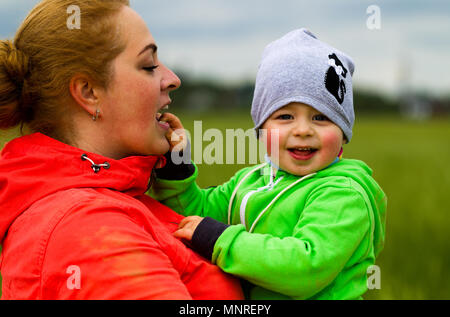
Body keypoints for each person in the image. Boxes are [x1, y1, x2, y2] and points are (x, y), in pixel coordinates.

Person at [0, 0, 244, 300]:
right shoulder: (88, 228)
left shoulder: (106, 201)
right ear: (89, 93)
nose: (172, 79)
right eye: (149, 65)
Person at [150, 29, 387, 300]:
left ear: (343, 131)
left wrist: (222, 240)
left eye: (321, 118)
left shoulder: (343, 194)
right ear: (261, 129)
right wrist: (175, 165)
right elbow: (192, 215)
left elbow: (304, 267)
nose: (303, 130)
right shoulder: (250, 182)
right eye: (285, 116)